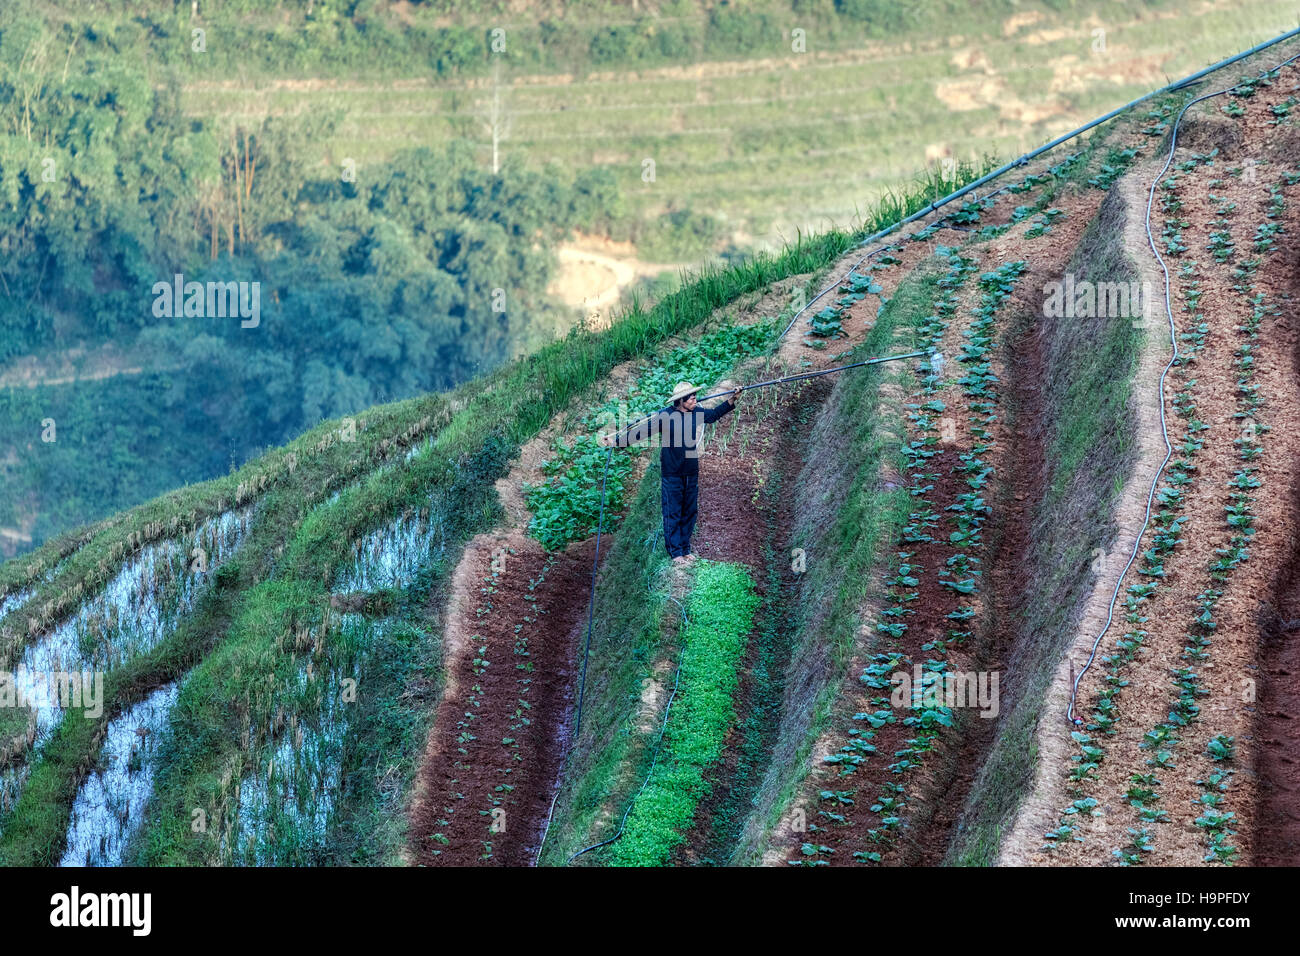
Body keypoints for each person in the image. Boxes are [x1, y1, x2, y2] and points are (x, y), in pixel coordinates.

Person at [599, 381, 742, 563]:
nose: (694, 399)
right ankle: (675, 552)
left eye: (695, 396)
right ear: (680, 401)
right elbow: (641, 432)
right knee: (672, 512)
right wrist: (616, 442)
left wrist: (732, 400)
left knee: (689, 511)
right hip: (672, 473)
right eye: (691, 397)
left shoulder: (697, 413)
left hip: (691, 472)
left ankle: (685, 548)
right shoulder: (664, 417)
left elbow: (713, 415)